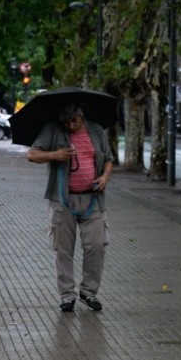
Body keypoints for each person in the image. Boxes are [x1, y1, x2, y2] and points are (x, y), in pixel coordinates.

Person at [27, 102, 114, 312]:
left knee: (96, 245)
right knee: (63, 249)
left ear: (81, 115)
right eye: (65, 121)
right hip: (62, 200)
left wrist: (104, 177)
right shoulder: (53, 129)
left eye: (73, 120)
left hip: (93, 199)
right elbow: (32, 154)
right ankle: (67, 295)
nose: (70, 125)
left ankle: (89, 292)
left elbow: (109, 159)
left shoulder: (95, 130)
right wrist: (54, 155)